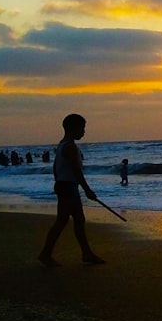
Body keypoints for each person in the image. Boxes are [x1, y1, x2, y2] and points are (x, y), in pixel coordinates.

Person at [38, 113, 105, 266]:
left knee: (78, 220)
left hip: (65, 185)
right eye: (82, 128)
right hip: (68, 187)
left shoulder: (62, 144)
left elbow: (56, 167)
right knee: (62, 221)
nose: (83, 132)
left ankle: (86, 253)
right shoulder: (70, 147)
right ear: (73, 128)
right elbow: (76, 171)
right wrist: (87, 190)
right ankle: (46, 254)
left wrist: (59, 183)